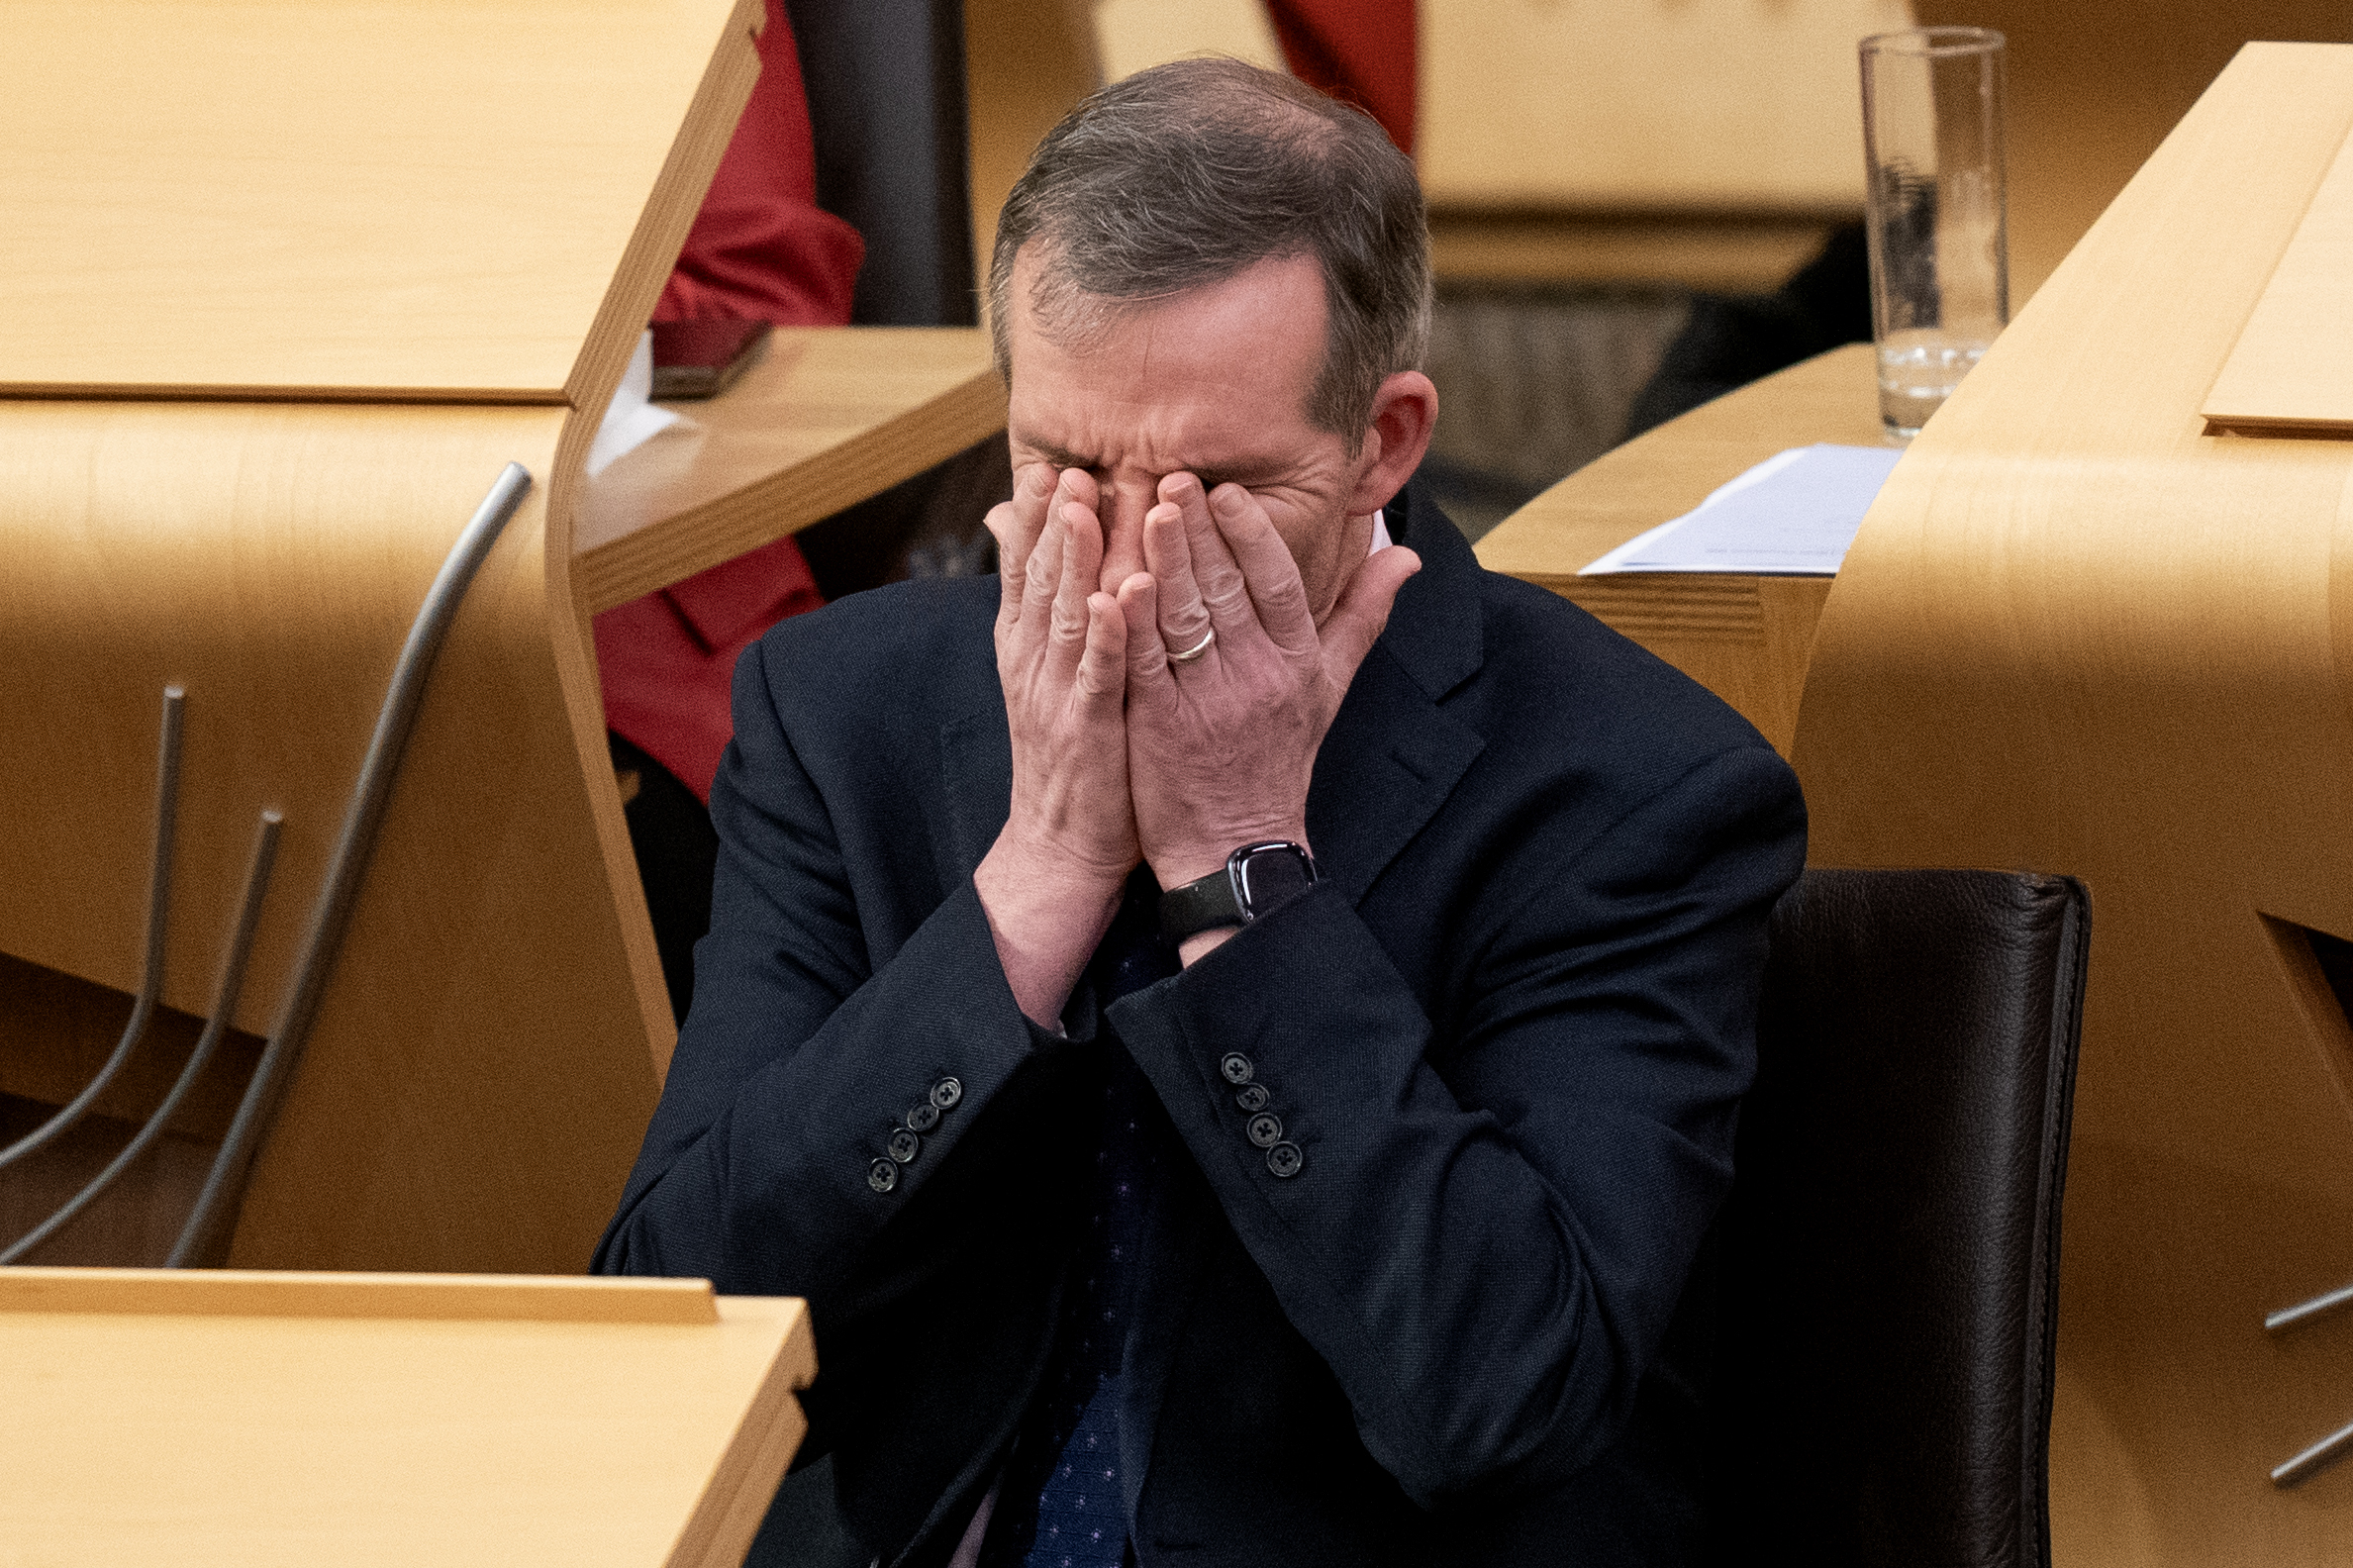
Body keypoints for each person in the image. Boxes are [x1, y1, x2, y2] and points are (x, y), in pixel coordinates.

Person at [595, 58, 1806, 1568]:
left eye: (1218, 490)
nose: (1127, 563)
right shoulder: (843, 717)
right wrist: (1034, 882)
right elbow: (678, 1321)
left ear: (1386, 440)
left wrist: (1240, 875)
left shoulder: (1633, 788)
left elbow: (1500, 1402)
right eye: (1068, 470)